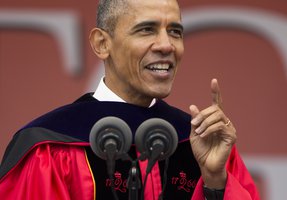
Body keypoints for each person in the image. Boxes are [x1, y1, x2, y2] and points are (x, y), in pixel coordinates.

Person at [0, 0, 260, 199]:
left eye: (175, 32)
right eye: (147, 30)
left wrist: (215, 183)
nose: (167, 45)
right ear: (102, 43)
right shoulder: (50, 147)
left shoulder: (199, 142)